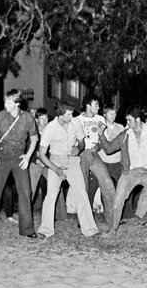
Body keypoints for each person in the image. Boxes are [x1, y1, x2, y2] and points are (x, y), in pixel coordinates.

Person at [98, 105, 147, 234]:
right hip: (130, 173)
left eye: (129, 120)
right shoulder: (125, 134)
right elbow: (109, 149)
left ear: (137, 120)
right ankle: (112, 229)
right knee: (118, 200)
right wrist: (101, 135)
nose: (127, 123)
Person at [0, 89, 39, 239]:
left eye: (9, 101)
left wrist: (27, 157)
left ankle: (27, 229)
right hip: (2, 155)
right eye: (5, 101)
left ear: (17, 103)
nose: (6, 104)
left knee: (25, 192)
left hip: (19, 156)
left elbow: (35, 138)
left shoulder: (28, 118)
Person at [34, 102, 99, 238]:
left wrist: (78, 148)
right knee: (51, 196)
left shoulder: (75, 123)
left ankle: (90, 230)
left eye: (71, 113)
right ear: (60, 114)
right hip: (55, 161)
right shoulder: (50, 128)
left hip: (73, 162)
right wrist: (56, 170)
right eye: (68, 114)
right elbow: (41, 154)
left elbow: (82, 142)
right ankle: (46, 230)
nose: (72, 116)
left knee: (81, 193)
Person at [74, 96, 118, 218]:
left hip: (95, 154)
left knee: (107, 181)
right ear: (88, 106)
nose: (98, 107)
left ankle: (112, 215)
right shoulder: (77, 120)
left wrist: (98, 146)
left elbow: (104, 139)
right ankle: (84, 218)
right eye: (96, 105)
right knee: (84, 185)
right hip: (82, 154)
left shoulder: (100, 119)